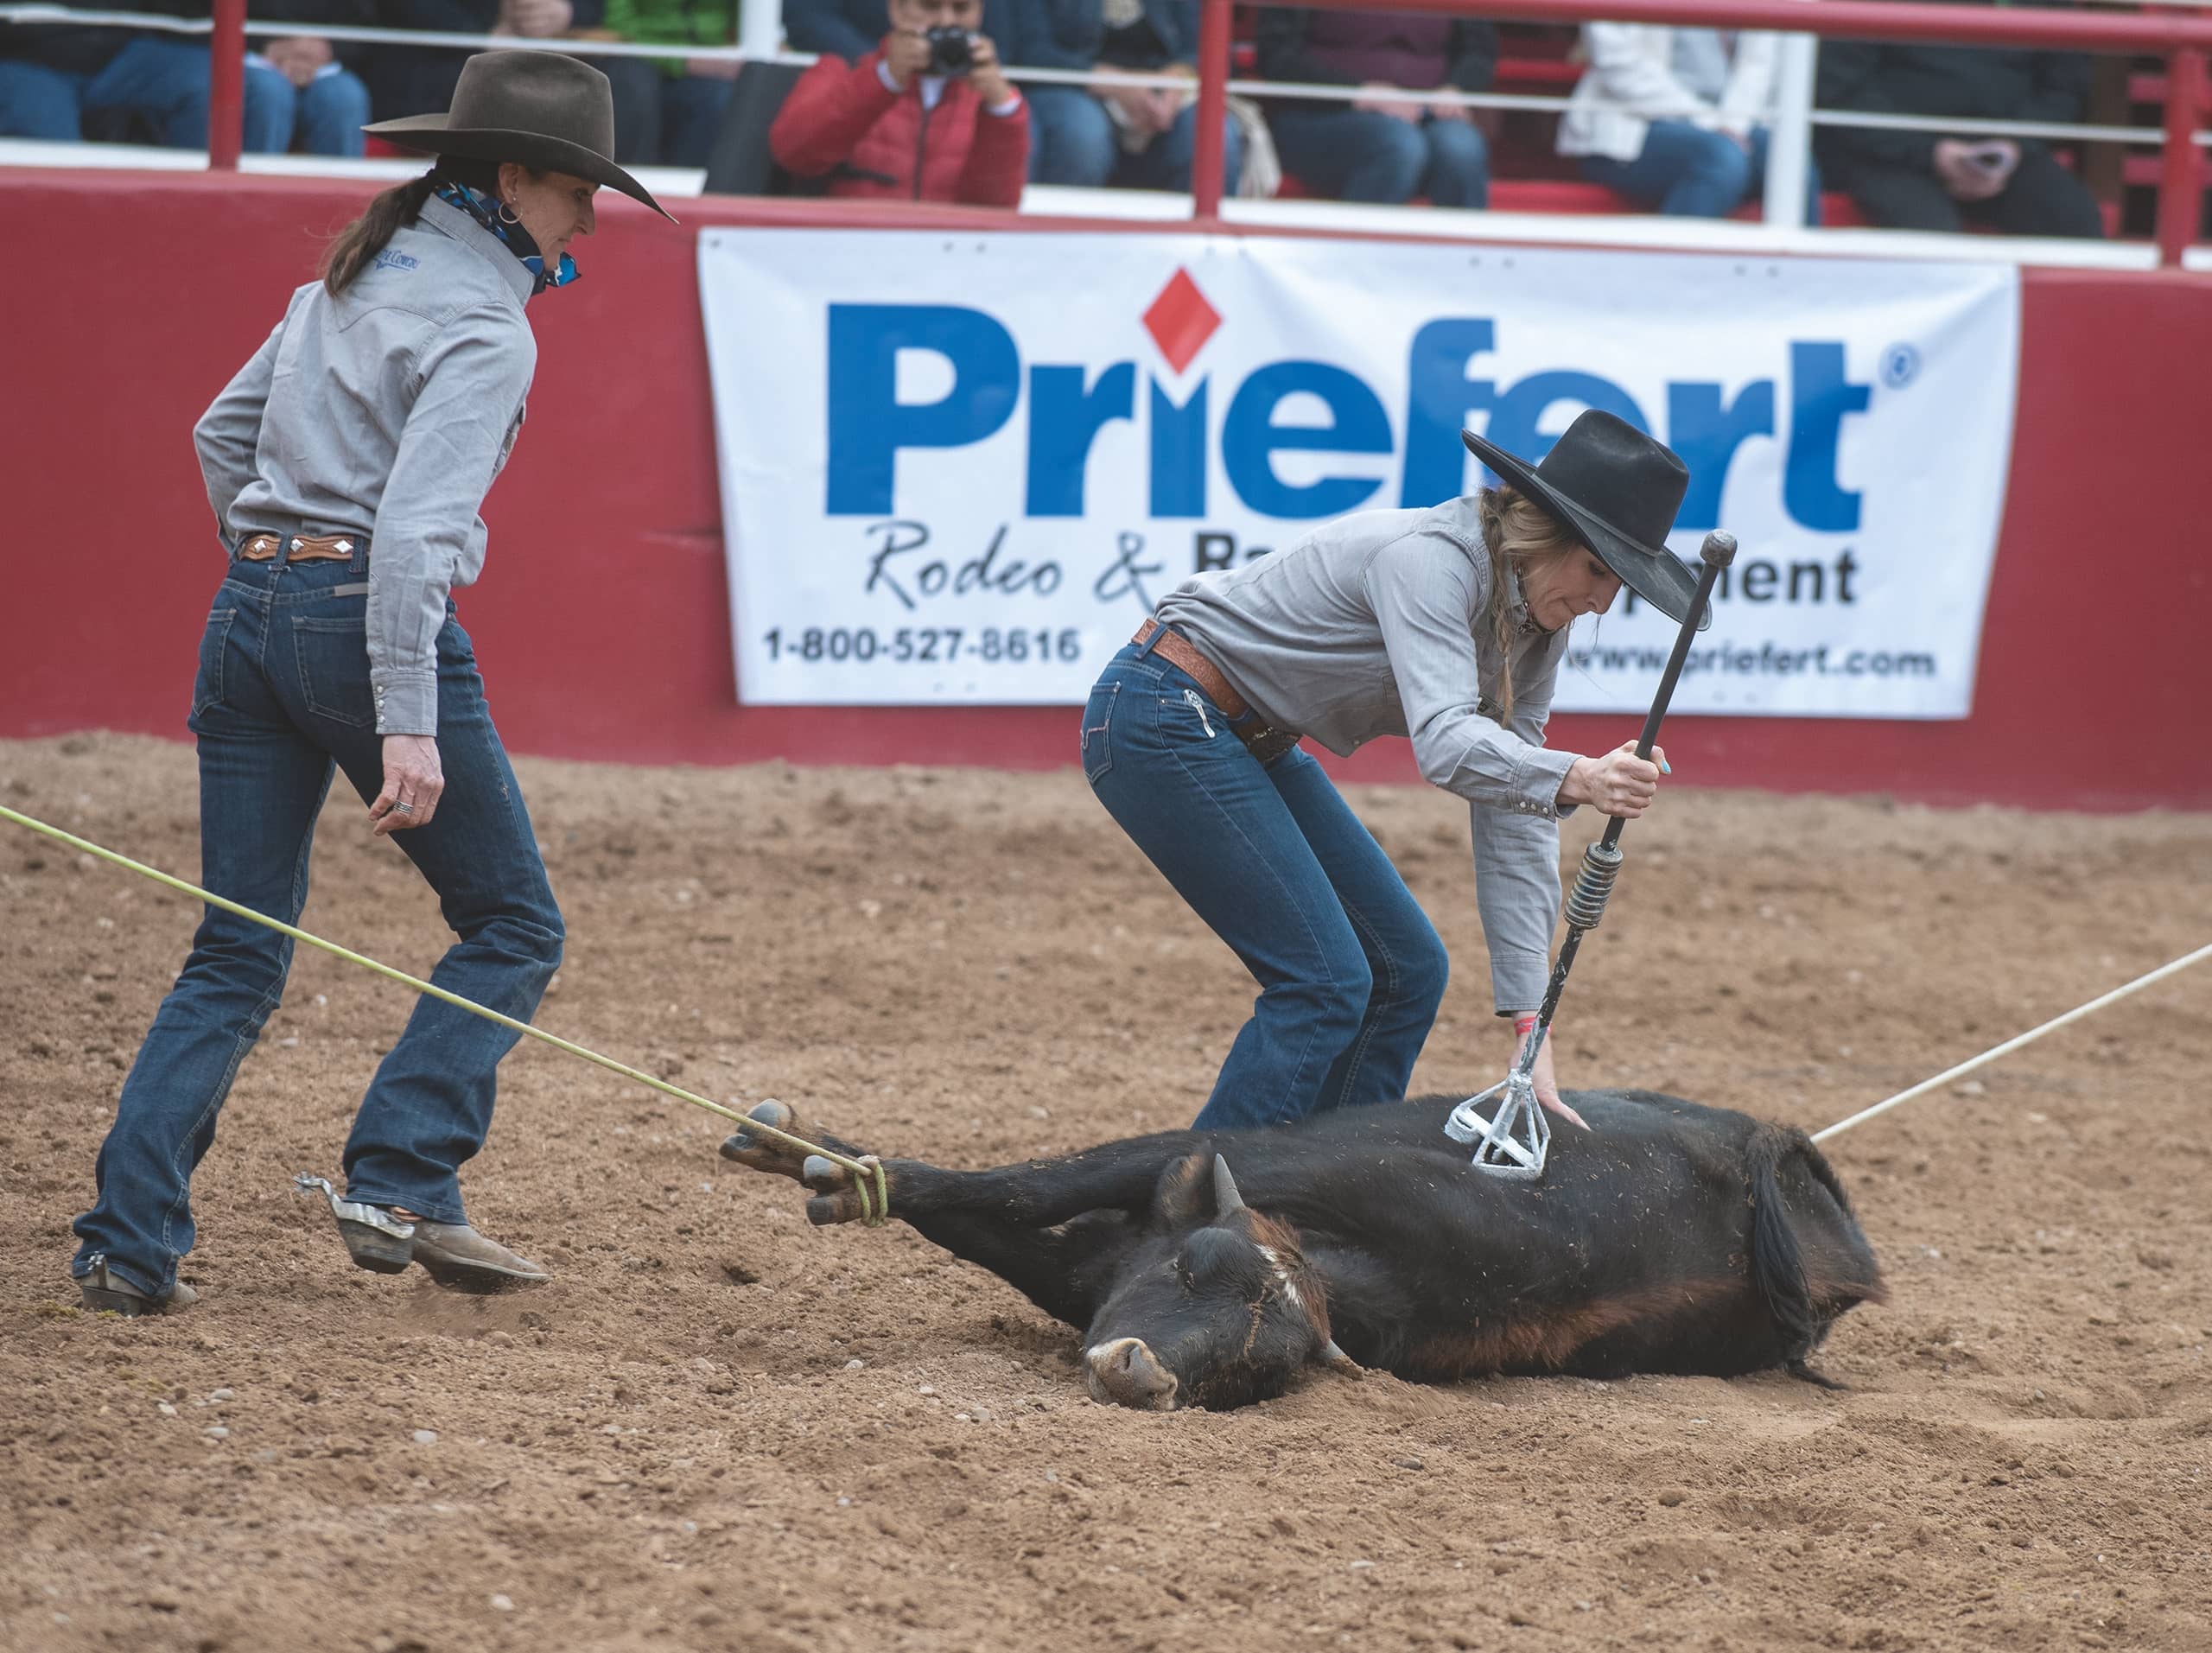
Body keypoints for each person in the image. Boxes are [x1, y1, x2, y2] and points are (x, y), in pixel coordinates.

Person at [69, 52, 676, 1317]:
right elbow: (409, 538)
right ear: (515, 181)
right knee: (514, 924)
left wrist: (269, 564)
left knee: (234, 951)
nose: (589, 222)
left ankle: (130, 1242)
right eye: (581, 196)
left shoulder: (340, 281)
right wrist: (406, 716)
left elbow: (219, 438)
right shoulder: (486, 327)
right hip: (360, 620)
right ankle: (402, 1174)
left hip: (248, 614)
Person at [1081, 410, 1694, 1133]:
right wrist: (1582, 778)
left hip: (1246, 735)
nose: (1603, 600)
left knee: (1406, 973)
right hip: (1162, 709)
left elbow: (1514, 803)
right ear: (1540, 530)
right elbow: (1445, 742)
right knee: (1327, 981)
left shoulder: (1534, 627)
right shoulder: (1431, 557)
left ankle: (1330, 1205)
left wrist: (1533, 1024)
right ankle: (1187, 1209)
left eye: (1618, 582)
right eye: (1598, 568)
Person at [1814, 12, 2102, 238]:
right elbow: (1841, 88)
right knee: (1928, 236)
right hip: (1884, 155)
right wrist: (1930, 153)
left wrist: (2014, 144)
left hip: (2006, 155)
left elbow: (2064, 85)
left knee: (2073, 216)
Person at [770, 0, 1028, 206]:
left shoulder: (987, 98)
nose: (946, 21)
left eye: (961, 8)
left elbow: (995, 210)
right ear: (897, 9)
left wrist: (1001, 111)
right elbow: (794, 154)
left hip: (943, 261)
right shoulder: (840, 72)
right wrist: (884, 80)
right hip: (850, 253)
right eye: (930, 6)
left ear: (980, 14)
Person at [1556, 22, 1820, 224]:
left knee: (1790, 158)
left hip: (1733, 122)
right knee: (1720, 158)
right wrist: (1709, 122)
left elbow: (1761, 65)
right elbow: (1617, 61)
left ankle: (1807, 290)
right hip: (1630, 124)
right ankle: (1670, 287)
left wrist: (1730, 123)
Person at [1255, 7, 1496, 208]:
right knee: (1399, 146)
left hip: (1430, 113)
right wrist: (1359, 92)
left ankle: (1463, 263)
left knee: (1462, 149)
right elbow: (1277, 56)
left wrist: (1457, 88)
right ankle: (1355, 262)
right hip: (1322, 113)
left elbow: (1479, 50)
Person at [1010, 0, 1242, 194]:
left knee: (1214, 136)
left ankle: (1193, 247)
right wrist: (1112, 83)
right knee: (1082, 137)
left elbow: (1206, 43)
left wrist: (1176, 79)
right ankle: (1058, 242)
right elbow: (1027, 48)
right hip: (1073, 83)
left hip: (1161, 87)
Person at [0, 0, 291, 151]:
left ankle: (201, 225)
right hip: (22, 55)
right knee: (45, 130)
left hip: (125, 49)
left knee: (238, 85)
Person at [363, 0, 604, 140]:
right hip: (433, 59)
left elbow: (594, 9)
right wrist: (483, 37)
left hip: (545, 57)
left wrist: (566, 11)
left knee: (628, 85)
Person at [596, 0, 739, 168]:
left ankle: (694, 188)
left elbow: (745, 25)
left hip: (711, 67)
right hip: (637, 58)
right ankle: (631, 184)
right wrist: (683, 61)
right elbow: (619, 29)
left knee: (726, 98)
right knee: (634, 88)